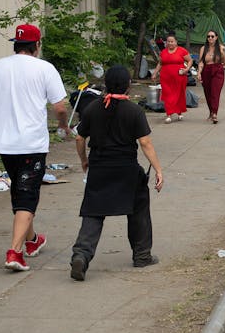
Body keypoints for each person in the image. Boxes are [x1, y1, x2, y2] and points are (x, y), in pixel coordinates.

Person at [0, 22, 71, 272]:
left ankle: (32, 241)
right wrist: (63, 126)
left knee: (21, 192)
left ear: (16, 44)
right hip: (31, 143)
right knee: (27, 195)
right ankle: (14, 252)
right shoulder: (45, 68)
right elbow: (60, 107)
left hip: (5, 143)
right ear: (37, 45)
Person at [70, 65, 164, 280]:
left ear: (106, 84)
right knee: (138, 208)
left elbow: (79, 137)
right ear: (128, 86)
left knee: (93, 212)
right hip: (127, 169)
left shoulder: (93, 108)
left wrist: (84, 161)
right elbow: (145, 142)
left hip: (99, 168)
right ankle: (142, 255)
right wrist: (158, 169)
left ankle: (81, 256)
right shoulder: (134, 111)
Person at [197, 30, 225, 123]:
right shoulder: (203, 48)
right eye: (208, 36)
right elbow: (201, 62)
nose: (210, 38)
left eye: (212, 36)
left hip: (218, 71)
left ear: (216, 37)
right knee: (208, 93)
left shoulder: (221, 48)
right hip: (206, 71)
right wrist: (199, 72)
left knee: (215, 93)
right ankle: (211, 112)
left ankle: (215, 114)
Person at [158, 32, 192, 123]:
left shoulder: (182, 51)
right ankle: (169, 114)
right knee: (168, 94)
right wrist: (155, 73)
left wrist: (187, 69)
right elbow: (160, 63)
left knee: (178, 94)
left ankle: (179, 112)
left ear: (176, 42)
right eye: (168, 41)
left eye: (172, 41)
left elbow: (190, 60)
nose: (170, 43)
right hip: (165, 77)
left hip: (179, 77)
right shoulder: (163, 52)